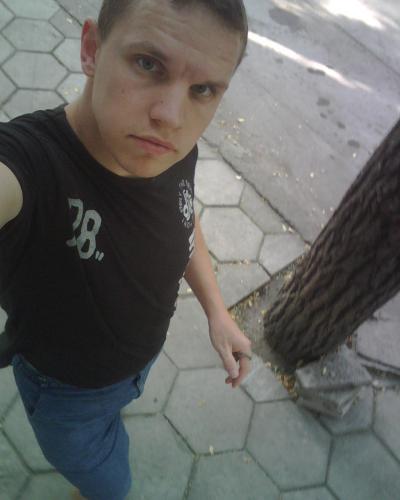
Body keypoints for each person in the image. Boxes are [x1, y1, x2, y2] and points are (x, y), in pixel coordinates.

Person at [0, 0, 252, 498]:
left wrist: (217, 311)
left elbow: (183, 215)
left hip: (136, 365)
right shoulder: (30, 168)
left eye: (203, 89)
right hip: (67, 395)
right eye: (148, 64)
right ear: (92, 49)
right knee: (111, 487)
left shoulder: (168, 146)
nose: (171, 117)